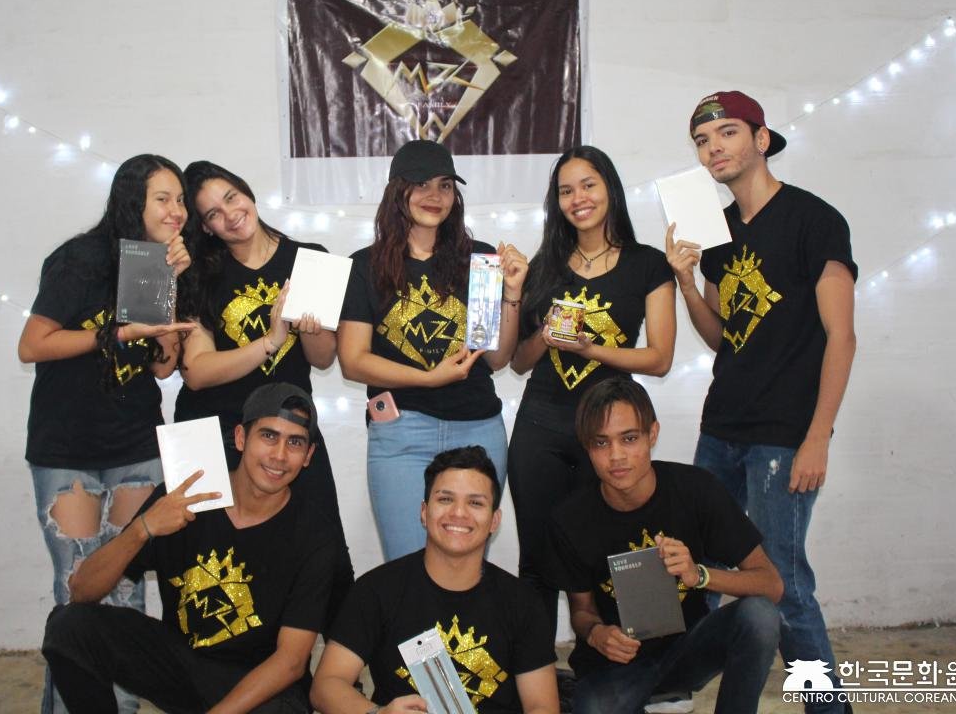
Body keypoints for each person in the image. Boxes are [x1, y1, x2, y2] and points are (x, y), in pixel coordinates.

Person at [666, 91, 857, 711]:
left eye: (727, 132)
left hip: (785, 434)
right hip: (721, 427)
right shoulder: (715, 231)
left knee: (784, 583)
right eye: (702, 140)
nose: (713, 148)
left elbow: (842, 336)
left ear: (762, 139)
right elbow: (723, 335)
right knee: (700, 566)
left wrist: (817, 436)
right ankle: (676, 691)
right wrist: (687, 283)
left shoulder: (813, 219)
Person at [42, 382, 351, 714]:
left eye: (295, 443)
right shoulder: (183, 498)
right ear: (241, 438)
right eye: (268, 436)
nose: (279, 455)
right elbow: (82, 591)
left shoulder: (316, 534)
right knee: (70, 626)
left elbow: (290, 661)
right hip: (180, 665)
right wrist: (143, 529)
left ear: (308, 456)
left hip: (258, 684)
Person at [18, 153, 196, 714]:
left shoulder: (155, 265)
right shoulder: (80, 259)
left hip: (135, 444)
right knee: (76, 590)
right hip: (68, 449)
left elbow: (162, 367)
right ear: (131, 201)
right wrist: (113, 335)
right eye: (162, 199)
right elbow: (32, 345)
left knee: (126, 591)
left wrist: (170, 292)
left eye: (180, 200)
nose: (176, 211)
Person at [509, 145, 676, 629]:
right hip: (540, 428)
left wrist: (591, 349)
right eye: (566, 191)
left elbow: (659, 359)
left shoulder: (647, 264)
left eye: (588, 185)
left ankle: (635, 659)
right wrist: (544, 337)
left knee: (619, 550)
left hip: (610, 432)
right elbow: (518, 362)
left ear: (610, 189)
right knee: (537, 557)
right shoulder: (544, 264)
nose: (578, 198)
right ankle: (535, 665)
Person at [545, 378, 783, 714]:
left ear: (652, 434)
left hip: (688, 651)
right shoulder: (570, 519)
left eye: (629, 438)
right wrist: (598, 634)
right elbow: (581, 610)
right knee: (593, 708)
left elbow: (771, 584)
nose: (616, 456)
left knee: (760, 617)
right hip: (615, 666)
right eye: (601, 442)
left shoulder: (696, 490)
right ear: (587, 447)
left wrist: (699, 575)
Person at [338, 139, 528, 560]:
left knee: (467, 565)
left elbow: (496, 358)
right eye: (421, 184)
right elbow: (353, 361)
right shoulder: (365, 266)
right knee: (407, 566)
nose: (434, 196)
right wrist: (428, 378)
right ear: (397, 191)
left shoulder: (479, 259)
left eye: (444, 185)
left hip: (478, 428)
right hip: (401, 432)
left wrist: (512, 294)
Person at [311, 446, 559, 714]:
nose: (459, 513)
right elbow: (326, 685)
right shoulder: (376, 590)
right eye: (445, 499)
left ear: (494, 521)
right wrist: (378, 713)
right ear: (424, 512)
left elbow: (542, 706)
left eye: (475, 503)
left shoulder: (522, 602)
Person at [175, 160, 344, 532]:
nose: (230, 215)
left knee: (314, 543)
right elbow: (197, 372)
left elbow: (323, 358)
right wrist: (269, 341)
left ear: (247, 192)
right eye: (213, 214)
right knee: (200, 550)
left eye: (231, 197)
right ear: (205, 227)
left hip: (287, 430)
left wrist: (310, 329)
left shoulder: (310, 259)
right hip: (210, 431)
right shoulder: (198, 274)